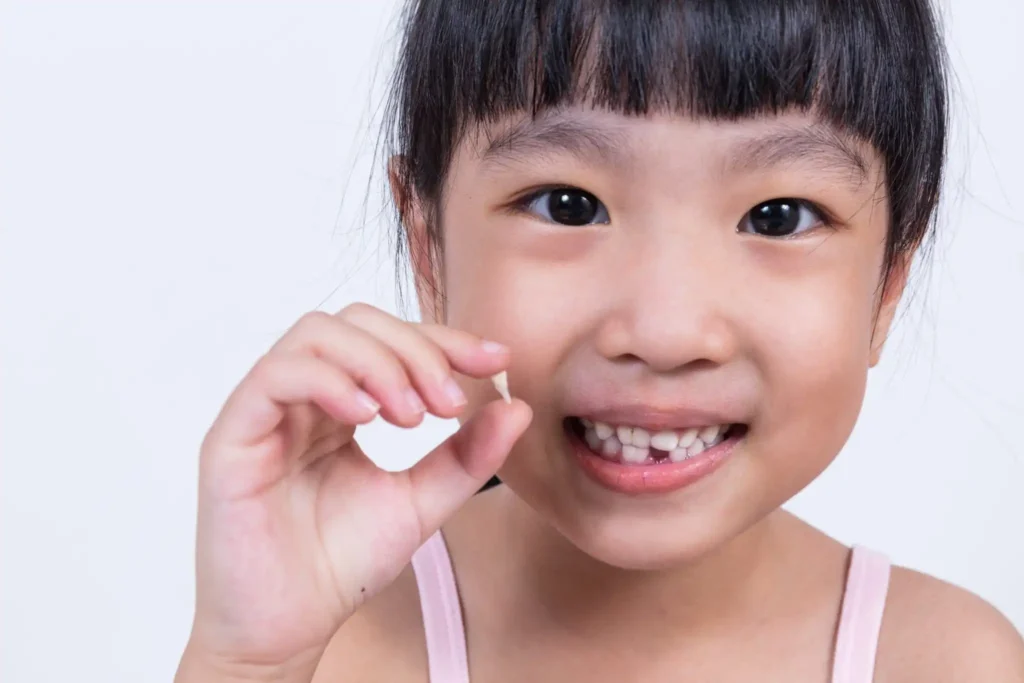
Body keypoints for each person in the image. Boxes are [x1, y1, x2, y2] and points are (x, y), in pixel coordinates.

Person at [175, 1, 1024, 681]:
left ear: (887, 287)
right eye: (567, 204)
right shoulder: (335, 651)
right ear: (427, 250)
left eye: (779, 217)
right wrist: (249, 663)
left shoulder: (945, 661)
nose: (664, 330)